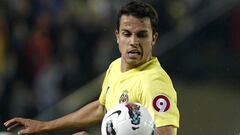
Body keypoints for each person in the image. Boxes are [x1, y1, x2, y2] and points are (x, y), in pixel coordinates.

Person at [4, 1, 180, 135]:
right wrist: (45, 126)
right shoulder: (116, 67)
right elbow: (102, 108)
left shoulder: (154, 82)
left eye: (142, 35)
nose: (133, 42)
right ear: (117, 36)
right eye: (127, 33)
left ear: (154, 38)